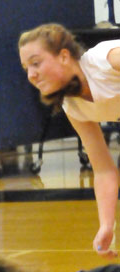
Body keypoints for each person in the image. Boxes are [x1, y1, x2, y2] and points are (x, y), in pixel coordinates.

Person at [18, 23, 120, 259]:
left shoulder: (105, 61)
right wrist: (107, 224)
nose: (31, 75)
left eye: (36, 63)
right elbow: (104, 170)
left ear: (64, 56)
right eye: (26, 68)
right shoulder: (73, 106)